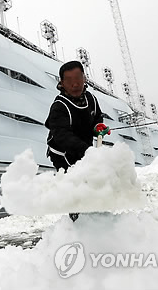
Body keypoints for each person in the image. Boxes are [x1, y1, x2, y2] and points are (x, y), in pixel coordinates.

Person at [45, 61, 110, 222]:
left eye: (78, 79)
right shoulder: (59, 107)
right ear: (61, 83)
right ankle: (77, 222)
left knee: (91, 180)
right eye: (69, 80)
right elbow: (63, 137)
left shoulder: (91, 99)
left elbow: (96, 117)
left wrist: (98, 126)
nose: (75, 84)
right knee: (74, 185)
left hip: (84, 149)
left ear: (84, 78)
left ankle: (97, 216)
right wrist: (88, 151)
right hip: (62, 153)